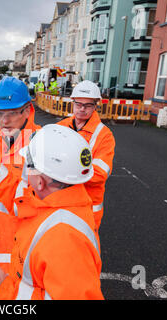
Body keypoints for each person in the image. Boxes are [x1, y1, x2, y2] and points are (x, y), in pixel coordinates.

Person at [0, 125, 103, 300]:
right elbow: (18, 199)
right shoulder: (53, 201)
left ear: (40, 182)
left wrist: (6, 290)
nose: (25, 170)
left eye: (28, 166)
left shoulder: (64, 240)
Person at [0, 76, 41, 274]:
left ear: (27, 110)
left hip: (25, 251)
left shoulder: (40, 145)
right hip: (0, 243)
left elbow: (34, 202)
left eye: (12, 113)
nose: (4, 120)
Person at [57, 80, 115, 234]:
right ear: (73, 102)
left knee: (83, 253)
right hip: (58, 203)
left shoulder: (104, 136)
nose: (82, 109)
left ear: (95, 105)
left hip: (86, 209)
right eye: (78, 104)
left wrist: (61, 172)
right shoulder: (60, 127)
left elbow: (100, 174)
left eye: (88, 105)